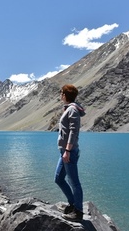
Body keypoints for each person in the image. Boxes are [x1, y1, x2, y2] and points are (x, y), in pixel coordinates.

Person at [55, 84, 85, 222]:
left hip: (69, 151)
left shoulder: (72, 110)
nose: (60, 95)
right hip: (65, 151)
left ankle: (78, 211)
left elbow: (74, 132)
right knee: (58, 178)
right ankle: (73, 204)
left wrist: (67, 150)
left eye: (61, 93)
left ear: (65, 95)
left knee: (74, 182)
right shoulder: (69, 108)